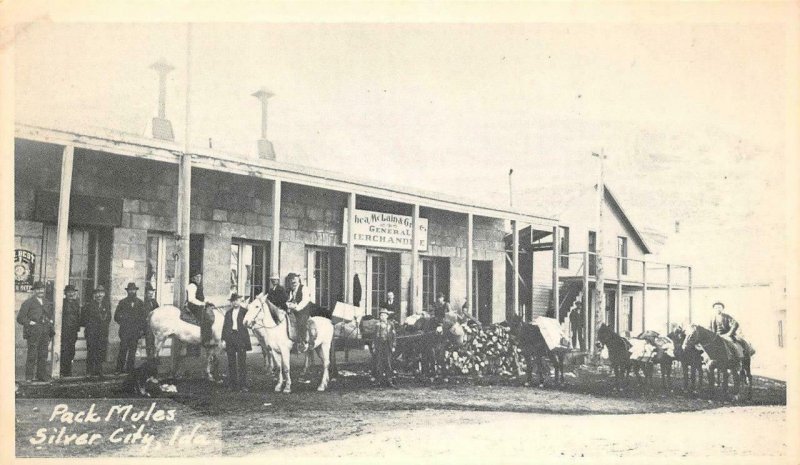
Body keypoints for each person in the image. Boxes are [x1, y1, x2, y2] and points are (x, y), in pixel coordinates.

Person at [17, 281, 54, 382]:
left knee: (43, 354)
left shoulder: (46, 302)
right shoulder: (28, 302)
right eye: (38, 289)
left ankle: (41, 375)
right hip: (33, 332)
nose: (40, 291)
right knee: (32, 355)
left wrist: (50, 321)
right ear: (34, 291)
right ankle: (29, 377)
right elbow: (20, 318)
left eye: (42, 289)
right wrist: (30, 322)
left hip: (45, 332)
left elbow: (50, 315)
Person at [115, 282, 147, 373]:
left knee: (132, 351)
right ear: (127, 291)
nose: (132, 292)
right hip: (125, 330)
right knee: (123, 349)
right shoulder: (122, 302)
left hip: (135, 331)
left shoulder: (140, 303)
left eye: (133, 290)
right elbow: (116, 316)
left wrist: (141, 330)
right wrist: (124, 322)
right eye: (130, 290)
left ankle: (130, 369)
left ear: (136, 291)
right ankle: (119, 369)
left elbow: (143, 318)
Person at [222, 293, 252, 391]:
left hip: (241, 337)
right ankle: (232, 384)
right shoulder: (228, 313)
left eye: (237, 300)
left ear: (240, 301)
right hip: (230, 337)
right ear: (231, 302)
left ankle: (243, 385)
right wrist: (223, 340)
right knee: (231, 362)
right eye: (233, 301)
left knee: (242, 361)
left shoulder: (245, 312)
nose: (235, 302)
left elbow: (251, 322)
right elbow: (225, 327)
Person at [83, 285, 112, 379]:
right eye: (97, 293)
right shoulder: (89, 305)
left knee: (100, 352)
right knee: (91, 352)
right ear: (94, 295)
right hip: (91, 332)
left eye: (101, 293)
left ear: (104, 294)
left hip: (102, 333)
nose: (99, 295)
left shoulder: (106, 305)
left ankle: (99, 371)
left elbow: (108, 318)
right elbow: (84, 319)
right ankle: (89, 372)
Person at [60, 284, 82, 377]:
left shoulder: (76, 303)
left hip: (73, 331)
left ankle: (68, 370)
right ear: (65, 293)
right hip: (64, 330)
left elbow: (78, 316)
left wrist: (77, 327)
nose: (71, 294)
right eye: (69, 292)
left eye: (72, 292)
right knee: (64, 350)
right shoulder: (62, 303)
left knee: (71, 350)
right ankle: (62, 370)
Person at [187, 271, 213, 347]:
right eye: (197, 277)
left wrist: (208, 302)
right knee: (206, 318)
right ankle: (205, 340)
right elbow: (191, 299)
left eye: (200, 277)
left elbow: (201, 298)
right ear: (193, 278)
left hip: (199, 305)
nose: (199, 279)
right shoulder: (192, 286)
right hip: (193, 306)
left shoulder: (198, 287)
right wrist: (202, 304)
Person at [286, 273, 312, 347]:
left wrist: (296, 307)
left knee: (301, 322)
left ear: (298, 280)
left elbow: (305, 301)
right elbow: (289, 300)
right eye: (291, 281)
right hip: (293, 311)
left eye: (294, 280)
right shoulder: (291, 291)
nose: (293, 283)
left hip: (303, 310)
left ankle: (303, 342)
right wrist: (288, 305)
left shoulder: (304, 288)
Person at [373, 307, 396, 387]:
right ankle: (378, 381)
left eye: (384, 315)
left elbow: (394, 336)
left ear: (387, 316)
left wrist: (393, 346)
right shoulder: (377, 325)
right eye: (381, 315)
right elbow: (374, 337)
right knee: (379, 363)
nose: (382, 317)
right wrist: (374, 346)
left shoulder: (391, 324)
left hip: (388, 345)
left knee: (388, 362)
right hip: (379, 345)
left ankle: (389, 380)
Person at [143, 284, 160, 372]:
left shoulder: (154, 302)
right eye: (149, 294)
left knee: (156, 342)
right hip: (148, 326)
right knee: (149, 342)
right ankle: (149, 358)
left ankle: (155, 357)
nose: (150, 295)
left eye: (152, 293)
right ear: (145, 294)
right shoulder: (144, 303)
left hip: (155, 325)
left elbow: (158, 311)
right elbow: (144, 315)